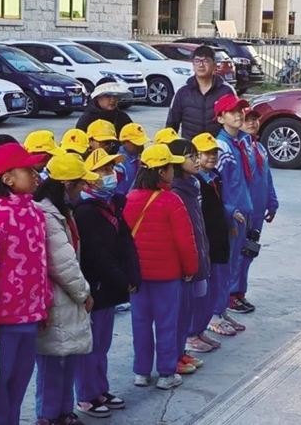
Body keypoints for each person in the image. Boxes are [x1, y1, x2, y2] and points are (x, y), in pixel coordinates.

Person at [0, 143, 53, 425]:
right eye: (28, 170)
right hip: (2, 321)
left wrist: (44, 304)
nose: (35, 174)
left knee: (17, 387)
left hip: (30, 315)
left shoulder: (34, 212)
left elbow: (42, 263)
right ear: (7, 179)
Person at [73, 148, 142, 418]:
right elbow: (96, 253)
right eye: (103, 170)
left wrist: (131, 276)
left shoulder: (112, 203)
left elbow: (125, 242)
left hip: (110, 286)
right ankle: (85, 395)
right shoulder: (86, 211)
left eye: (111, 169)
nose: (110, 175)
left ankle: (100, 388)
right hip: (96, 286)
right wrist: (121, 279)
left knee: (102, 344)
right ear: (89, 178)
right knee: (90, 346)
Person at [123, 144, 198, 390]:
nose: (172, 172)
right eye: (169, 167)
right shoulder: (171, 201)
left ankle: (141, 372)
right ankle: (166, 373)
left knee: (141, 324)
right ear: (162, 171)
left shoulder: (129, 199)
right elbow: (185, 241)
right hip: (167, 276)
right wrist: (191, 268)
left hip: (138, 276)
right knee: (167, 324)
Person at [33, 154, 97, 425]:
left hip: (67, 300)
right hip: (57, 299)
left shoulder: (61, 211)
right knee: (52, 362)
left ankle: (63, 412)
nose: (84, 189)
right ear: (68, 184)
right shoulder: (47, 216)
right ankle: (48, 416)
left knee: (68, 355)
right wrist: (83, 292)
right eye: (81, 183)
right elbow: (63, 263)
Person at [167, 139, 212, 374]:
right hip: (181, 265)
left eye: (196, 155)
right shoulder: (175, 190)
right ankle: (171, 358)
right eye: (190, 156)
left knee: (187, 311)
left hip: (196, 254)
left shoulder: (192, 184)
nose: (196, 160)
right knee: (176, 315)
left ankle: (180, 353)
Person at [214, 94, 254, 327]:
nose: (239, 115)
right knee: (222, 267)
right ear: (220, 118)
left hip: (242, 214)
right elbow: (214, 186)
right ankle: (215, 313)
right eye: (232, 111)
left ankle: (222, 310)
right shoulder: (221, 147)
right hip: (229, 216)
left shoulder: (241, 143)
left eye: (240, 110)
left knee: (233, 264)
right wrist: (227, 211)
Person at [192, 133, 233, 337]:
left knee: (222, 276)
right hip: (207, 238)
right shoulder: (196, 181)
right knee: (209, 283)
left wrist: (231, 216)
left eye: (214, 152)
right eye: (206, 153)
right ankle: (207, 321)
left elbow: (221, 204)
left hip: (220, 235)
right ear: (196, 156)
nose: (212, 157)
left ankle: (219, 312)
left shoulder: (215, 175)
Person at [238, 109, 279, 311]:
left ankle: (240, 292)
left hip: (258, 211)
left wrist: (272, 202)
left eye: (255, 118)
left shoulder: (260, 147)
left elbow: (267, 178)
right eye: (247, 119)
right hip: (243, 210)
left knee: (249, 252)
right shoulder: (239, 149)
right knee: (238, 253)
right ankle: (230, 294)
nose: (252, 123)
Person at [166, 45, 236, 140]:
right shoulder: (182, 92)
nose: (201, 65)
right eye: (197, 61)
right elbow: (171, 124)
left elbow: (235, 121)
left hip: (219, 148)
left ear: (214, 66)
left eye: (206, 61)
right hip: (191, 149)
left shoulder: (226, 90)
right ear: (193, 65)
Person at [115, 122, 150, 195]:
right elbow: (116, 190)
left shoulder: (140, 158)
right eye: (137, 143)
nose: (141, 147)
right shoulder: (119, 164)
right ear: (124, 142)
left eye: (142, 143)